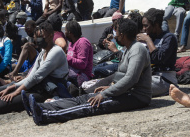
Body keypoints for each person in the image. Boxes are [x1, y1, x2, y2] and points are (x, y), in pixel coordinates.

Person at [21, 18, 152, 125]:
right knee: (81, 99)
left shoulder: (138, 49)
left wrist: (105, 93)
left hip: (135, 97)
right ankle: (40, 107)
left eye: (116, 32)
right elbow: (123, 77)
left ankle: (45, 115)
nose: (115, 35)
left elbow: (131, 79)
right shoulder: (128, 49)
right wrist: (110, 87)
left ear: (122, 35)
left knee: (90, 106)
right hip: (125, 92)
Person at [137, 8, 178, 97]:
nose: (144, 29)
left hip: (165, 79)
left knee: (135, 89)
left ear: (156, 25)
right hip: (150, 76)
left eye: (146, 26)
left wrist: (148, 41)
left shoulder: (169, 38)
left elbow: (158, 58)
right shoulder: (150, 38)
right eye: (143, 26)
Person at [66, 21, 93, 87]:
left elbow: (82, 64)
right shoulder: (71, 43)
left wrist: (66, 57)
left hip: (82, 76)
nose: (65, 33)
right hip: (71, 73)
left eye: (66, 31)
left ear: (70, 33)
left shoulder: (82, 42)